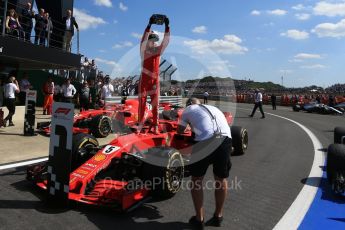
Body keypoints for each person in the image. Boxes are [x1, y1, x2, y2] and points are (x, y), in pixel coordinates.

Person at [177, 98, 232, 229]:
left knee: (196, 180)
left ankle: (199, 219)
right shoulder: (214, 108)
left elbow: (180, 130)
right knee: (221, 179)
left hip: (205, 142)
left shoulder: (187, 110)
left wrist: (189, 124)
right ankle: (218, 216)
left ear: (189, 104)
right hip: (225, 139)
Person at [138, 15, 170, 133]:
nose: (154, 42)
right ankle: (140, 125)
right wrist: (149, 25)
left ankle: (155, 125)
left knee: (156, 103)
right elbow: (143, 39)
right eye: (151, 40)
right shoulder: (143, 49)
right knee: (142, 102)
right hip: (145, 79)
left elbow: (165, 42)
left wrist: (167, 27)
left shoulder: (158, 50)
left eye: (155, 40)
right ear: (148, 41)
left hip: (155, 80)